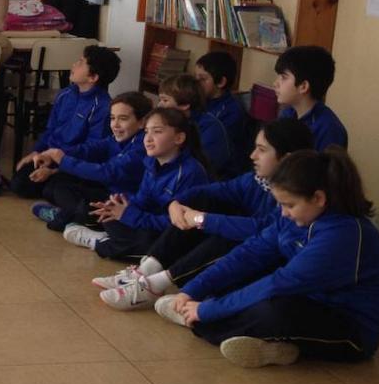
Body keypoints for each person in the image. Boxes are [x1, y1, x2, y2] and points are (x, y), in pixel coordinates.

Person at [156, 149, 379, 368]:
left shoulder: (343, 235)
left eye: (289, 204)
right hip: (304, 301)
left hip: (351, 332)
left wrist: (206, 311)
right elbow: (249, 254)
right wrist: (193, 289)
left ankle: (197, 320)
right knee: (240, 283)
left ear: (318, 198)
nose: (283, 212)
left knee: (270, 311)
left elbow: (279, 284)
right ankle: (278, 347)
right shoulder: (293, 219)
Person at [95, 118, 314, 310]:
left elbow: (262, 231)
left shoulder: (297, 196)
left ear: (287, 158)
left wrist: (200, 219)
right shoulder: (257, 179)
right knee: (201, 204)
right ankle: (146, 271)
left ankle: (156, 284)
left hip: (266, 264)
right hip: (215, 244)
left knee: (226, 234)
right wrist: (177, 202)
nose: (252, 155)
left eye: (262, 150)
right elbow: (215, 190)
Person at [63, 107, 210, 260]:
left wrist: (130, 215)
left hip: (175, 233)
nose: (148, 138)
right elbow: (143, 199)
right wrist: (122, 205)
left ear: (178, 138)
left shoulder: (190, 172)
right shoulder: (152, 163)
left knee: (151, 246)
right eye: (146, 131)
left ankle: (100, 243)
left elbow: (177, 224)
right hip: (151, 223)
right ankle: (114, 239)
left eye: (157, 131)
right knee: (109, 215)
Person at [26, 91, 150, 231]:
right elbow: (90, 149)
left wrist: (61, 158)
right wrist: (52, 155)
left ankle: (65, 219)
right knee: (54, 184)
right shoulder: (119, 138)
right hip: (107, 188)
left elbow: (106, 172)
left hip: (122, 199)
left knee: (78, 198)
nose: (115, 124)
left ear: (141, 122)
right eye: (112, 118)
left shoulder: (142, 147)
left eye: (123, 119)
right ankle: (74, 216)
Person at [11, 44, 120, 199]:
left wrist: (56, 169)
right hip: (50, 155)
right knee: (19, 183)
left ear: (93, 77)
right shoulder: (66, 94)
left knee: (54, 190)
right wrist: (37, 152)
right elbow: (50, 130)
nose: (74, 65)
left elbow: (92, 151)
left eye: (81, 63)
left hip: (72, 162)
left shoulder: (103, 107)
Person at [273, 45, 348, 150]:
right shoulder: (287, 114)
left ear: (303, 86)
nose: (275, 83)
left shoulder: (329, 129)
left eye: (284, 78)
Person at [158, 73, 232, 177]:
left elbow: (204, 167)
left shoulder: (210, 127)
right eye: (160, 100)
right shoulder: (171, 121)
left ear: (184, 105)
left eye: (165, 100)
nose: (159, 105)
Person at [194, 51, 250, 170]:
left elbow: (212, 149)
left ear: (221, 82)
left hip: (220, 170)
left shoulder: (231, 111)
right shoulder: (200, 100)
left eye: (203, 79)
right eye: (196, 78)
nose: (196, 84)